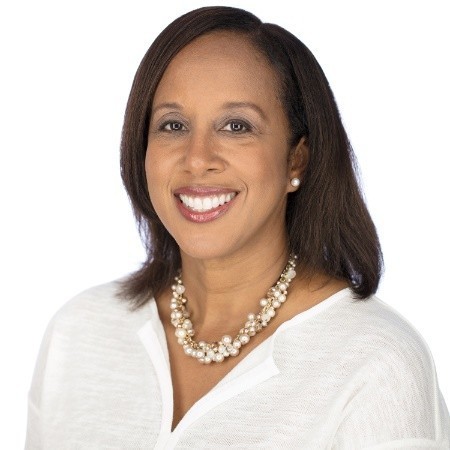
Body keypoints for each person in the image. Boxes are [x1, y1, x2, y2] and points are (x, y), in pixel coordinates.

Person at [25, 6, 450, 449]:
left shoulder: (375, 364)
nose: (197, 159)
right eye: (173, 125)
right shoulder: (79, 333)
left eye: (236, 126)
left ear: (296, 159)